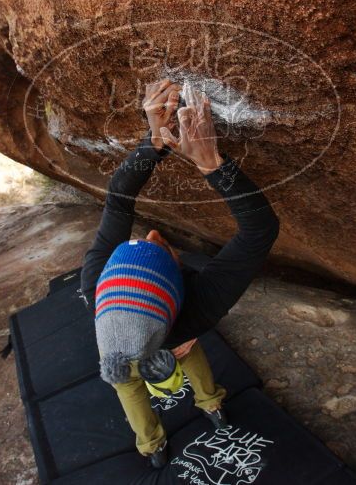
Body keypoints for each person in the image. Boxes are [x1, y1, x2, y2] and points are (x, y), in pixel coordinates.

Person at [80, 79, 279, 468]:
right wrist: (211, 163)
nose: (154, 234)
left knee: (125, 382)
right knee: (186, 348)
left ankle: (151, 445)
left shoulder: (95, 281)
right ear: (174, 292)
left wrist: (155, 138)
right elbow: (261, 231)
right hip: (174, 325)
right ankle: (212, 402)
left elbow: (120, 198)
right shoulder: (196, 310)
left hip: (122, 340)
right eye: (163, 250)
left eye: (145, 241)